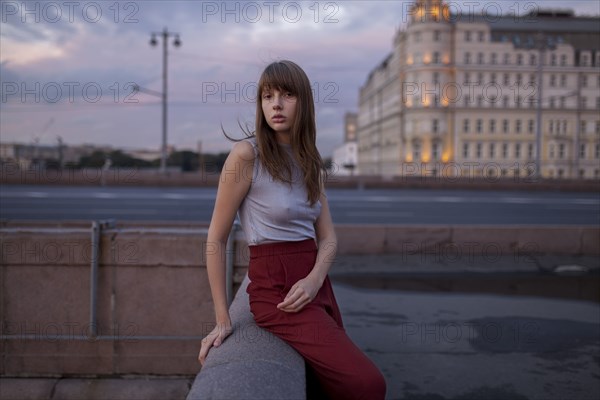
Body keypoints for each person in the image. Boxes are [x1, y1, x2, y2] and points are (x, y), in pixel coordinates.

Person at [197, 60, 386, 399]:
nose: (276, 105)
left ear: (304, 102)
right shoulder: (246, 155)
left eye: (287, 95)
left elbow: (327, 237)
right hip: (277, 294)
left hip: (315, 287)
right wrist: (223, 318)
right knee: (368, 384)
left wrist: (314, 280)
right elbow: (216, 238)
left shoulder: (309, 159)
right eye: (267, 96)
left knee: (327, 383)